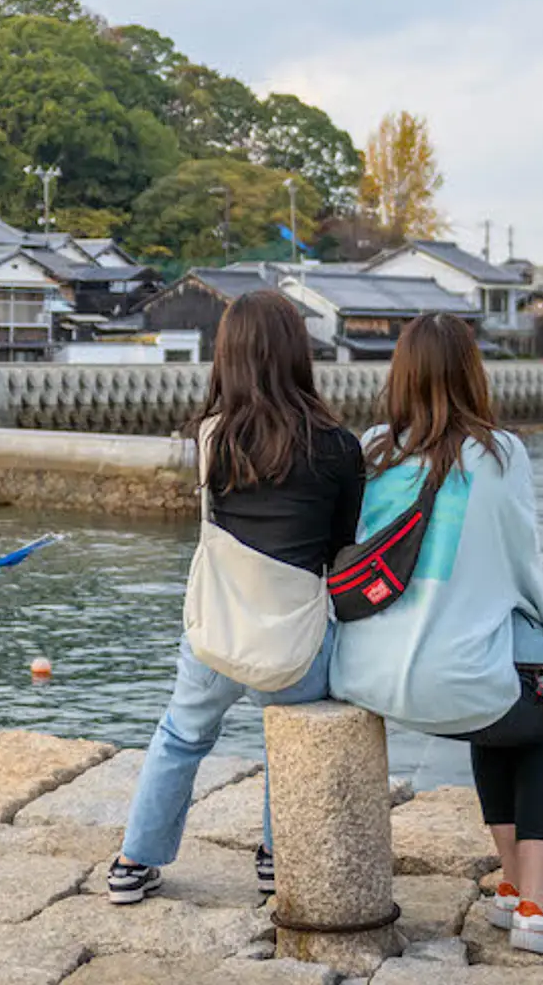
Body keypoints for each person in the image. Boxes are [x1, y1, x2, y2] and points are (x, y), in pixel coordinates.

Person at [330, 312, 543, 953]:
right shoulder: (500, 454)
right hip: (452, 683)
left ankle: (513, 884)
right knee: (540, 728)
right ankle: (537, 903)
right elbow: (524, 566)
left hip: (365, 674)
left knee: (494, 706)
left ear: (402, 373)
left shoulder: (375, 446)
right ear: (472, 371)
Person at [108, 289, 365, 904]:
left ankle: (131, 862)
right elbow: (340, 550)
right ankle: (277, 857)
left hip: (215, 627)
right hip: (294, 637)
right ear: (297, 354)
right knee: (290, 732)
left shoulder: (210, 436)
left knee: (181, 734)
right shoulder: (338, 447)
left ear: (227, 356)